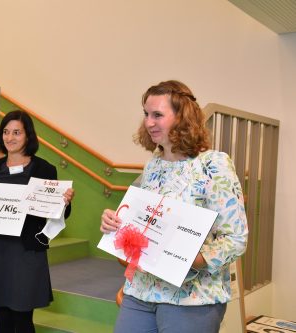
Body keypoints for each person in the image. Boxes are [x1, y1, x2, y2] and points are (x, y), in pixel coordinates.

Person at [100, 80, 248, 333]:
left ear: (182, 118)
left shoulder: (214, 165)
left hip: (192, 297)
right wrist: (115, 223)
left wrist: (195, 260)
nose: (149, 122)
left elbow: (236, 238)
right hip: (141, 289)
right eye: (146, 114)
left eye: (158, 115)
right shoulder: (153, 165)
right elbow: (145, 223)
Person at [0, 110, 74, 333]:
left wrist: (64, 203)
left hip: (26, 252)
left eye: (17, 132)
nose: (10, 138)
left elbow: (59, 214)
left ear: (28, 136)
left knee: (22, 319)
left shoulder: (44, 169)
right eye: (6, 132)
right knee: (1, 318)